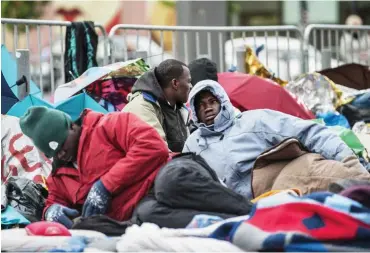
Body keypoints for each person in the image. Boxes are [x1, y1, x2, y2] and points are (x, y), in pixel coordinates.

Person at [183, 80, 370, 200]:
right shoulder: (192, 145)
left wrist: (348, 159)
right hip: (240, 205)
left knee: (346, 180)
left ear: (222, 101)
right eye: (200, 105)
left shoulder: (254, 121)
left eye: (212, 101)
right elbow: (186, 181)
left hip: (286, 175)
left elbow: (309, 131)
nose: (207, 108)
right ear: (195, 111)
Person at [19, 106, 169, 228]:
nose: (61, 155)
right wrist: (50, 212)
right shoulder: (59, 176)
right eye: (54, 153)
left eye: (62, 146)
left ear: (71, 126)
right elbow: (55, 200)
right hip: (121, 227)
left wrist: (106, 185)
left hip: (158, 194)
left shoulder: (110, 124)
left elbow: (153, 147)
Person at [123, 59, 192, 152]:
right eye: (188, 81)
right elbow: (158, 151)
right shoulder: (141, 107)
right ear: (175, 83)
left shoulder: (179, 108)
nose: (191, 86)